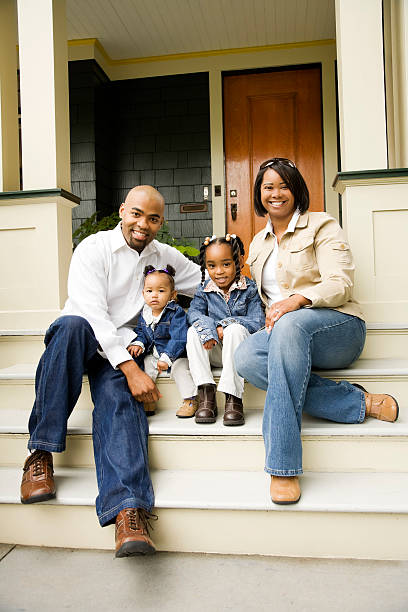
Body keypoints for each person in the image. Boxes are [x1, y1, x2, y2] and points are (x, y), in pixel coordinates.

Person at [20, 186, 201, 557]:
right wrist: (132, 369)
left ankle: (127, 512)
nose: (143, 224)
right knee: (70, 327)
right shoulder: (94, 248)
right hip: (83, 337)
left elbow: (204, 281)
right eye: (136, 214)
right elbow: (93, 315)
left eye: (152, 218)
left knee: (120, 401)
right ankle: (40, 454)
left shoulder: (163, 256)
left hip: (122, 347)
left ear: (160, 222)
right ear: (122, 211)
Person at [234, 158, 399, 505]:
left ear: (296, 189)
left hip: (338, 328)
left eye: (284, 185)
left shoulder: (321, 225)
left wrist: (296, 301)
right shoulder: (259, 243)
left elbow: (340, 283)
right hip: (285, 336)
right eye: (268, 186)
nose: (276, 193)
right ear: (258, 193)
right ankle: (359, 402)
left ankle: (282, 466)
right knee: (246, 356)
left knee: (291, 324)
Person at [187, 234, 265, 426]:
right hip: (213, 349)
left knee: (235, 330)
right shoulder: (204, 289)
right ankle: (206, 394)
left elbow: (257, 321)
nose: (219, 272)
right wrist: (212, 329)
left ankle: (233, 397)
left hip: (239, 352)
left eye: (226, 264)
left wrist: (227, 324)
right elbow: (194, 314)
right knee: (193, 331)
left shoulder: (250, 289)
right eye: (212, 266)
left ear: (237, 262)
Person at [128, 264, 198, 418]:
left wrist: (167, 357)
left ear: (172, 295)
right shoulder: (145, 313)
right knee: (145, 365)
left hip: (177, 355)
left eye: (161, 291)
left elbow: (179, 338)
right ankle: (149, 398)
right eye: (149, 291)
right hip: (155, 355)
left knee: (180, 370)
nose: (154, 295)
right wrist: (138, 343)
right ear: (143, 293)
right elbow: (141, 332)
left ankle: (190, 400)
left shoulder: (175, 312)